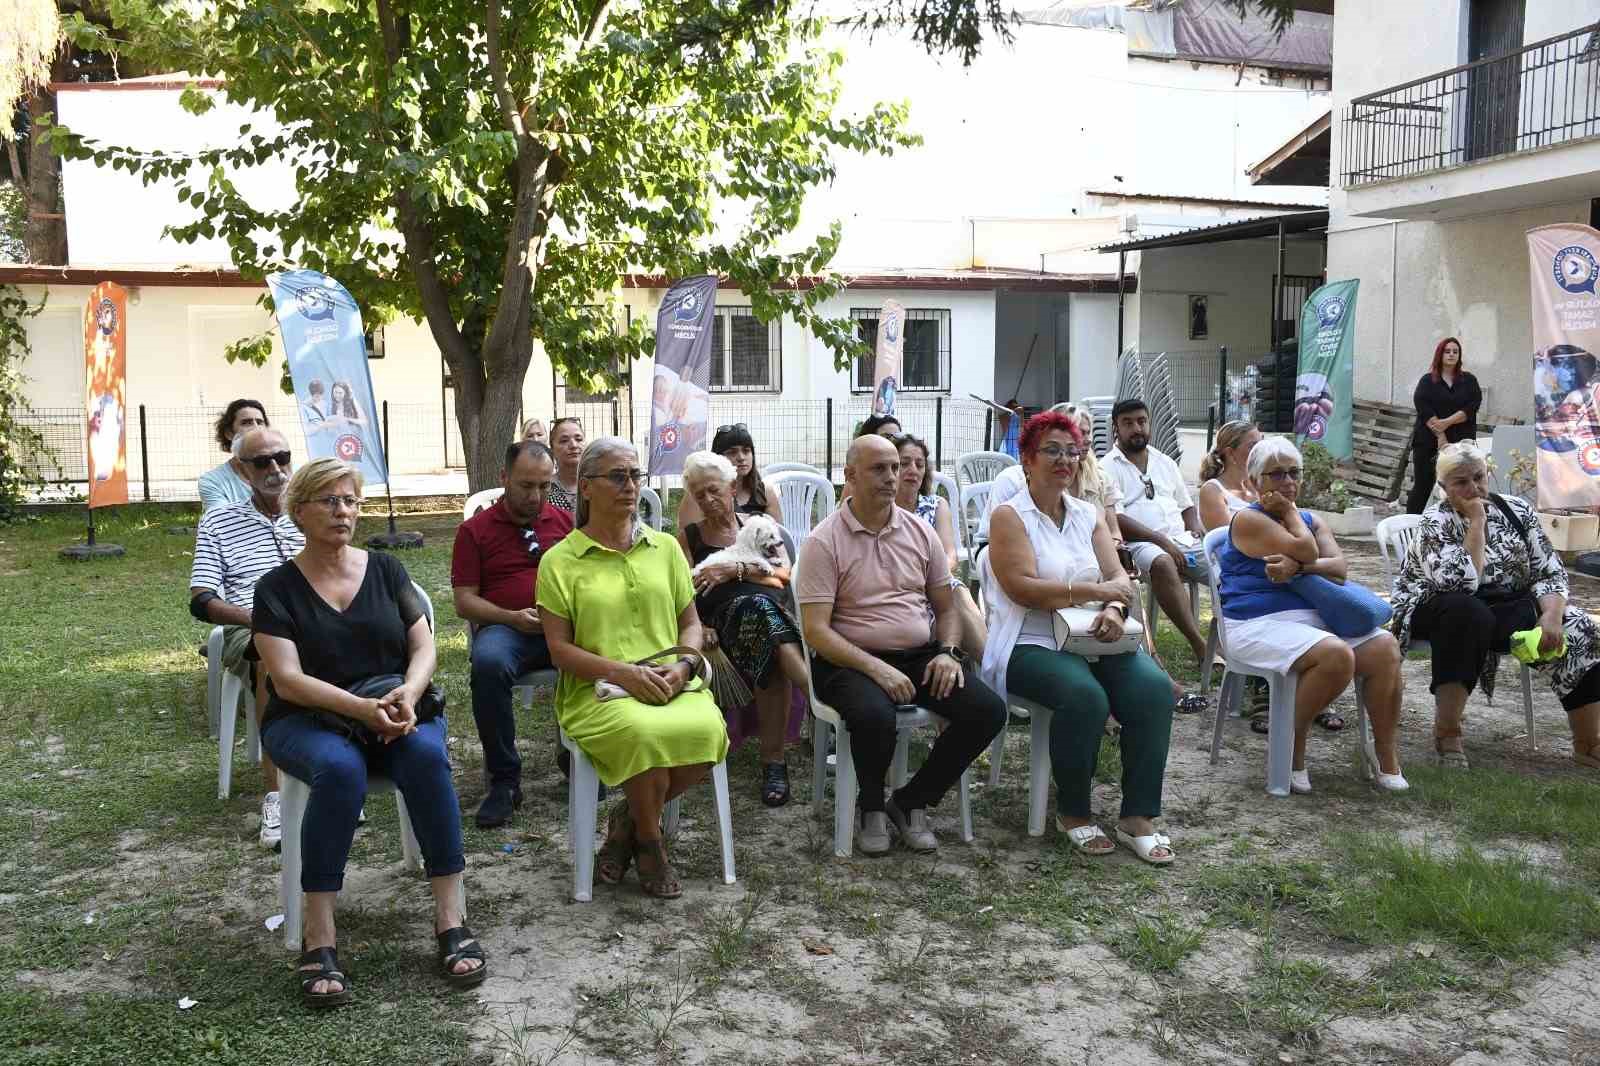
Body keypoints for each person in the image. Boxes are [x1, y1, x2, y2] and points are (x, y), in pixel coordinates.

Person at [254, 458, 485, 1007]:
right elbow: (286, 680)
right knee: (338, 770)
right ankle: (319, 933)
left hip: (391, 705)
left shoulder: (385, 569)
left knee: (427, 759)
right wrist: (360, 709)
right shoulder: (276, 588)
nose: (343, 512)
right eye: (329, 501)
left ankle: (451, 918)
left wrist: (407, 693)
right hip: (306, 717)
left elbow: (424, 645)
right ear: (300, 510)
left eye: (351, 501)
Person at [795, 434, 1006, 855]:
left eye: (896, 467)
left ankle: (910, 801)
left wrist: (948, 652)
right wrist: (876, 668)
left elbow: (946, 608)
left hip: (920, 654)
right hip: (847, 660)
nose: (893, 477)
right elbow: (816, 631)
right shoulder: (824, 541)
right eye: (879, 469)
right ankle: (870, 806)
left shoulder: (919, 532)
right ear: (849, 476)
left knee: (987, 711)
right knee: (875, 714)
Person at [537, 437, 729, 899]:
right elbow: (560, 651)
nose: (630, 486)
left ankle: (627, 820)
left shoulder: (664, 548)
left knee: (709, 731)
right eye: (617, 477)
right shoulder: (560, 561)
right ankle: (650, 842)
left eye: (635, 476)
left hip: (670, 680)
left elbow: (690, 623)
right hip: (599, 690)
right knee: (643, 735)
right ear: (586, 487)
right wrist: (624, 674)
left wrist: (684, 666)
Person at [982, 412, 1178, 862]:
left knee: (1152, 689)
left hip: (1093, 635)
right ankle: (1073, 812)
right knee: (1084, 697)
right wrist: (1096, 592)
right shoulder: (1010, 517)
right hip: (1028, 640)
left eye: (1072, 451)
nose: (1064, 460)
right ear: (1027, 459)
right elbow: (1023, 589)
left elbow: (1119, 578)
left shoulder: (1087, 515)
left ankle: (1137, 817)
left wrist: (1112, 607)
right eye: (1051, 450)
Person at [1390, 442, 1600, 771]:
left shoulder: (1516, 510)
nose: (1473, 487)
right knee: (1468, 614)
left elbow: (1549, 570)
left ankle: (1588, 743)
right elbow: (1459, 584)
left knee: (1581, 627)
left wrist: (1551, 615)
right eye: (1461, 482)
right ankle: (1447, 733)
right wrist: (1476, 524)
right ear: (1444, 488)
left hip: (1505, 608)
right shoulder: (1435, 521)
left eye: (1478, 477)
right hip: (1435, 607)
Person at [1218, 438, 1408, 793]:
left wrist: (1298, 567)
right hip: (1255, 623)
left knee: (1384, 647)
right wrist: (1291, 517)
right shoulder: (1247, 520)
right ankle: (1290, 744)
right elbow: (1306, 547)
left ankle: (1383, 750)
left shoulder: (1313, 519)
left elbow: (1339, 569)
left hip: (1311, 618)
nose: (1288, 482)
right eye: (1276, 475)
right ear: (1255, 482)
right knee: (1336, 655)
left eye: (1294, 473)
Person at [189, 425, 303, 848]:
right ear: (241, 469)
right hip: (248, 627)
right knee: (269, 654)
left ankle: (333, 774)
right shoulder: (218, 521)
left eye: (283, 457)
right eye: (262, 462)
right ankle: (276, 795)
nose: (276, 469)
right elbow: (201, 600)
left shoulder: (313, 510)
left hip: (314, 621)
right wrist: (258, 618)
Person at [451, 441, 575, 827]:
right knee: (488, 664)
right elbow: (464, 602)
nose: (535, 496)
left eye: (543, 485)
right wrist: (511, 617)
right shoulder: (475, 531)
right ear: (504, 478)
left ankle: (581, 755)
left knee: (603, 651)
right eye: (525, 486)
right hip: (508, 629)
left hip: (564, 627)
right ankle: (504, 780)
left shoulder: (565, 523)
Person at [676, 450, 809, 806]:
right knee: (761, 614)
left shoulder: (760, 525)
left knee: (762, 616)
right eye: (699, 493)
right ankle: (814, 695)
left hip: (763, 620)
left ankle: (776, 760)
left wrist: (735, 572)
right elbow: (679, 593)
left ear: (732, 488)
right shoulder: (688, 538)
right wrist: (699, 626)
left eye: (714, 490)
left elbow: (784, 574)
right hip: (721, 624)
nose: (707, 500)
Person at [1105, 399, 1210, 677]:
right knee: (1162, 562)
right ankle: (1201, 647)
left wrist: (1195, 527)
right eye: (1127, 423)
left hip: (1182, 540)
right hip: (1138, 545)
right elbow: (1116, 519)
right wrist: (1161, 540)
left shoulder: (1165, 462)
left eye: (1141, 421)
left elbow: (1187, 506)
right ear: (1116, 428)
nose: (1136, 428)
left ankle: (1236, 643)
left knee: (1227, 563)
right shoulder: (1107, 467)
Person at [891, 432, 985, 659]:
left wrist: (931, 577)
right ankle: (991, 670)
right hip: (896, 584)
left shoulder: (936, 504)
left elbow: (950, 555)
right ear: (891, 467)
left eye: (919, 464)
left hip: (935, 579)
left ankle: (990, 666)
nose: (913, 469)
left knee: (957, 592)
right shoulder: (882, 508)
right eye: (905, 463)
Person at [1407, 337, 1481, 514]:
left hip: (1460, 445)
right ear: (1440, 354)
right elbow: (1423, 407)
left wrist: (1445, 423)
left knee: (1460, 486)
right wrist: (1441, 436)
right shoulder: (1427, 381)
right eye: (1447, 351)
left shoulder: (1469, 381)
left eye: (1455, 351)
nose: (1451, 354)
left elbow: (1471, 407)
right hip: (1428, 443)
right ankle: (1410, 529)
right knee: (1423, 486)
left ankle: (1459, 529)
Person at [675, 423, 784, 528]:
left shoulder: (766, 492)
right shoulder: (699, 495)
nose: (741, 457)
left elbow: (779, 535)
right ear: (718, 458)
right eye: (732, 452)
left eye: (746, 451)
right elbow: (686, 539)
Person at [199, 399, 268, 512]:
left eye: (260, 422)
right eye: (247, 422)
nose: (256, 428)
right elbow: (223, 523)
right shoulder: (212, 481)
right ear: (229, 433)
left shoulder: (289, 471)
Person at [1197, 420, 1263, 532]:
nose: (1261, 451)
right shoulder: (1212, 490)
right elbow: (1227, 542)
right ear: (1230, 453)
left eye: (1261, 444)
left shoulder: (1260, 484)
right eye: (1253, 446)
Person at [547, 418, 585, 514]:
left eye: (578, 439)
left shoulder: (600, 486)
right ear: (552, 450)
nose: (573, 445)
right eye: (564, 441)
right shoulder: (544, 489)